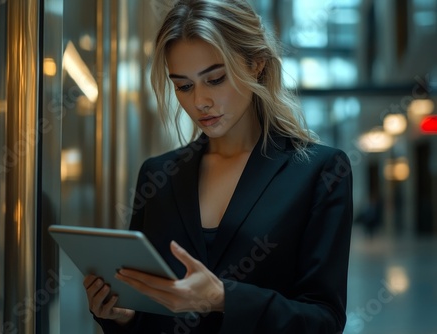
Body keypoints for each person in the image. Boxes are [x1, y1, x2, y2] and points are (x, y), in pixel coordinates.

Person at [84, 0, 353, 333]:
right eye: (183, 86)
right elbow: (152, 313)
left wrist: (222, 297)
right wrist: (124, 316)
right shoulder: (158, 175)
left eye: (215, 79)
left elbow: (323, 321)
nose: (199, 102)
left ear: (256, 64)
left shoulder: (319, 171)